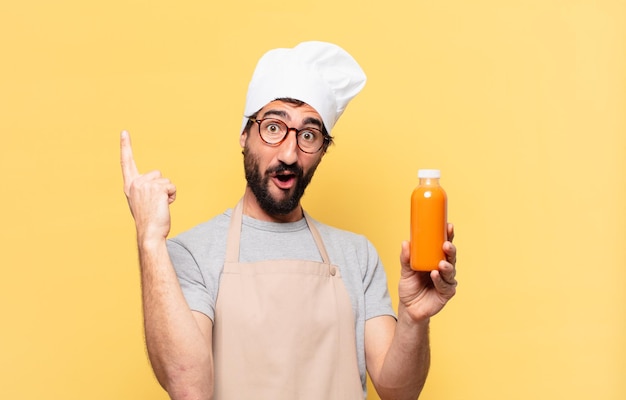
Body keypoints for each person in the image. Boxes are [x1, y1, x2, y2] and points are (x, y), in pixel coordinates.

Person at [121, 41, 457, 400]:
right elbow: (190, 389)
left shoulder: (357, 256)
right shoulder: (192, 254)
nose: (289, 153)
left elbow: (398, 391)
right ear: (244, 135)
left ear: (322, 151)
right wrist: (151, 241)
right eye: (273, 127)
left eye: (308, 135)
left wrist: (413, 318)